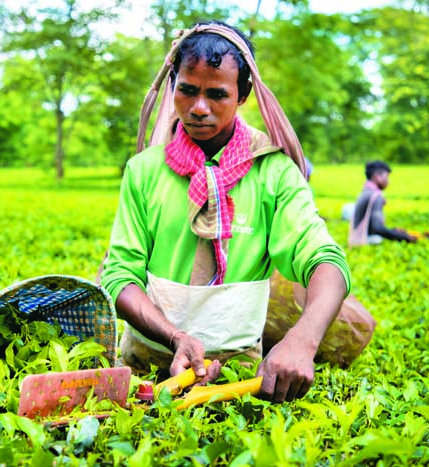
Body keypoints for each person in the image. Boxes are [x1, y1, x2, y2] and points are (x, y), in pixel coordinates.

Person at [99, 20, 352, 403]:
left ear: (244, 93)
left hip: (239, 383)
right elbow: (120, 275)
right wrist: (175, 336)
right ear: (173, 87)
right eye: (187, 90)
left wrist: (301, 341)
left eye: (217, 94)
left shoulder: (274, 173)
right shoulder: (145, 170)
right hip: (148, 370)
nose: (199, 108)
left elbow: (326, 262)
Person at [349, 160, 417, 246]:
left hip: (355, 239)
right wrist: (404, 237)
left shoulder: (365, 191)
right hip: (365, 241)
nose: (389, 181)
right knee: (379, 239)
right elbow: (377, 228)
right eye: (387, 177)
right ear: (378, 176)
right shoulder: (376, 196)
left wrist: (394, 231)